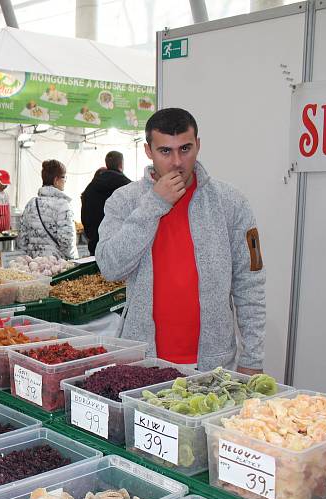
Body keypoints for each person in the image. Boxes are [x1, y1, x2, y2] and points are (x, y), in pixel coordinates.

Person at [95, 108, 265, 374]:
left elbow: (250, 284)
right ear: (148, 151)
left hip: (213, 364)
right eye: (165, 151)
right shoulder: (124, 200)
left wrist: (252, 359)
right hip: (142, 361)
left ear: (198, 145)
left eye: (185, 149)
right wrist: (154, 204)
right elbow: (110, 267)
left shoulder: (230, 202)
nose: (176, 162)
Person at [17, 159, 77, 260]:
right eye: (64, 177)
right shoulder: (63, 205)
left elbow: (22, 240)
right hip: (58, 265)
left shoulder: (31, 204)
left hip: (34, 264)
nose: (65, 181)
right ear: (56, 180)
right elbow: (67, 242)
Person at [81, 152, 132, 255]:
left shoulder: (90, 188)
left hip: (96, 247)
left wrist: (93, 236)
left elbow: (85, 217)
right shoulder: (129, 187)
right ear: (121, 165)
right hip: (122, 249)